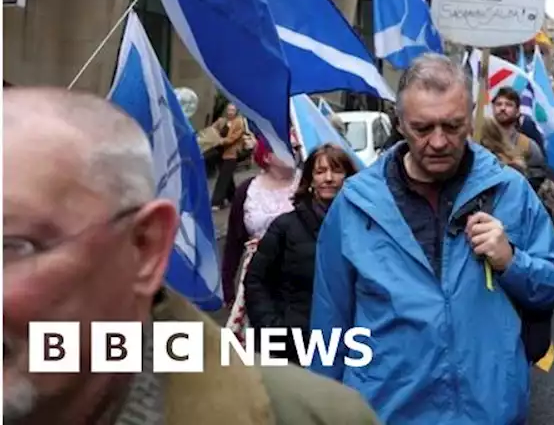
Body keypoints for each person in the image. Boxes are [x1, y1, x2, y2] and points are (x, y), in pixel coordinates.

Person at [3, 88, 378, 424]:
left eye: (12, 247)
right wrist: (270, 323)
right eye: (322, 171)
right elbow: (248, 269)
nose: (328, 178)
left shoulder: (311, 415)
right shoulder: (279, 219)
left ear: (144, 248)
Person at [309, 54, 554, 423]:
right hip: (385, 412)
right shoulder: (354, 205)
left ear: (470, 119)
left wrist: (513, 261)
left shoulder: (509, 190)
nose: (438, 142)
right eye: (422, 127)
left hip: (489, 411)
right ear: (399, 123)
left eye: (452, 126)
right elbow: (329, 325)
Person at [243, 144, 358, 364]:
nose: (329, 178)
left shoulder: (364, 226)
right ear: (310, 179)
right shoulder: (285, 226)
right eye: (320, 171)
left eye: (336, 171)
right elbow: (256, 281)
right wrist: (273, 327)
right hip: (293, 347)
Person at [222, 139, 298, 336]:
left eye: (294, 147)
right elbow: (233, 242)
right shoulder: (248, 190)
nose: (293, 151)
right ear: (267, 156)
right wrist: (227, 283)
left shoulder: (305, 184)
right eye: (285, 148)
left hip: (297, 271)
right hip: (257, 274)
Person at [210, 102, 248, 209]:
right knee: (227, 178)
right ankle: (233, 198)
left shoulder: (239, 122)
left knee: (223, 178)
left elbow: (232, 138)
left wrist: (220, 141)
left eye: (232, 110)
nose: (230, 112)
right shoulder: (222, 121)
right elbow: (212, 130)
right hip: (220, 153)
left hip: (232, 154)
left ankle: (216, 202)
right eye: (229, 110)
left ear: (236, 111)